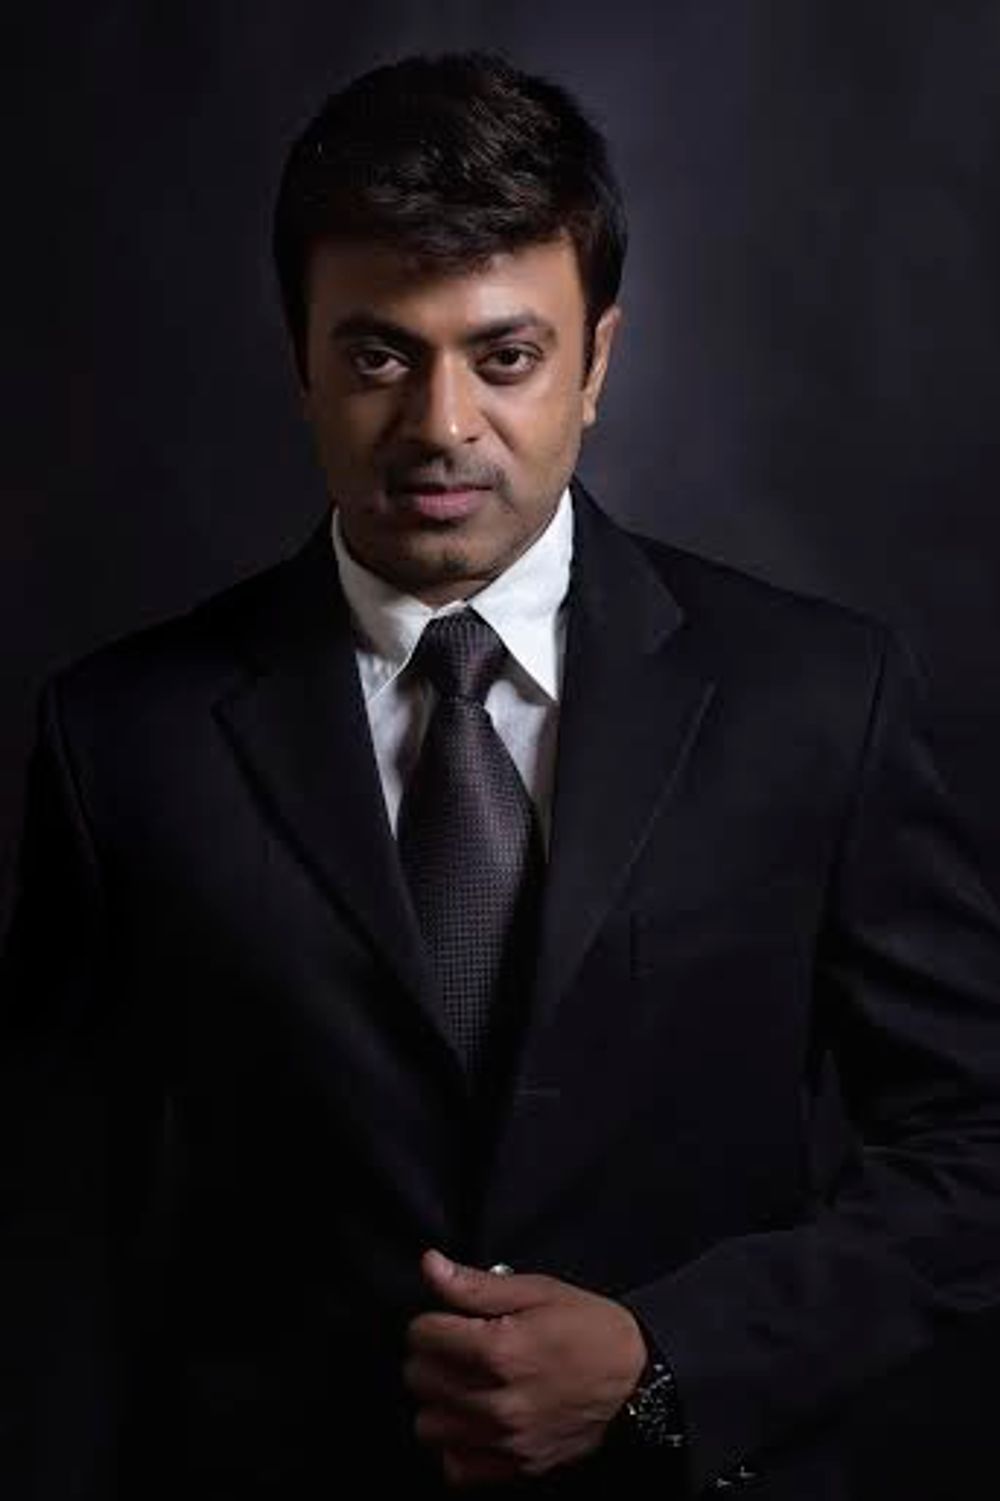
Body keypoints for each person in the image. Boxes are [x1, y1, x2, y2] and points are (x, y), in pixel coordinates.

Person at [3, 49, 1000, 1501]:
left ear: (597, 362)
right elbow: (49, 1233)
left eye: (506, 357)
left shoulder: (817, 698)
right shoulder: (121, 739)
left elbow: (977, 1138)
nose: (442, 424)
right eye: (378, 355)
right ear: (299, 359)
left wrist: (670, 1355)